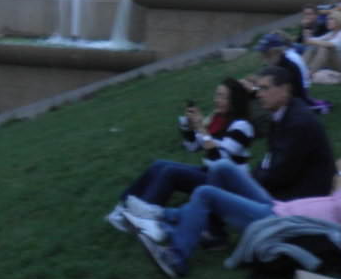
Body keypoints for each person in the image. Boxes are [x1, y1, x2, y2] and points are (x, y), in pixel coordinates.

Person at [133, 156, 341, 278]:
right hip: (279, 207)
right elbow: (340, 197)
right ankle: (173, 222)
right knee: (223, 168)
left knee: (205, 193)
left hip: (278, 223)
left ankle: (176, 255)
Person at [105, 79, 254, 230]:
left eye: (223, 97)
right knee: (159, 165)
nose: (217, 100)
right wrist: (187, 126)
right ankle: (124, 206)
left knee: (171, 172)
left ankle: (142, 217)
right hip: (211, 173)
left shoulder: (242, 126)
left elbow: (220, 160)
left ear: (235, 100)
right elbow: (192, 147)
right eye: (217, 95)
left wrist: (201, 128)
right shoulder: (218, 119)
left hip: (229, 183)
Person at [242, 65, 334, 201]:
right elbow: (270, 160)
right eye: (259, 89)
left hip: (301, 199)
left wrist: (249, 184)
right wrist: (251, 178)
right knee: (225, 173)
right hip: (289, 189)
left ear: (285, 90)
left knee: (220, 185)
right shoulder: (284, 112)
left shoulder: (297, 124)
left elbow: (280, 174)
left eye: (265, 88)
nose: (259, 94)